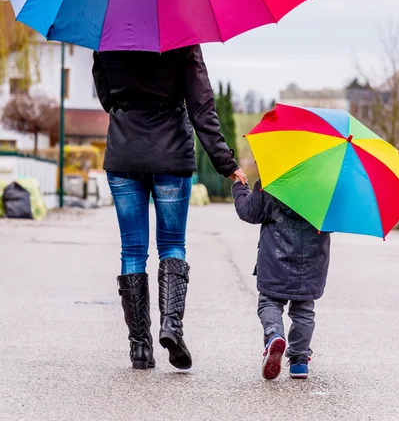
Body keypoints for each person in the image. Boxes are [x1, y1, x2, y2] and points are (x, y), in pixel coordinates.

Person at [93, 46, 245, 371]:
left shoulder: (106, 34)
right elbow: (201, 107)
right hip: (171, 153)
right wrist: (226, 163)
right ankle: (171, 326)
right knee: (172, 244)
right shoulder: (184, 37)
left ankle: (140, 349)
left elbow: (107, 99)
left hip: (124, 151)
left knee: (132, 250)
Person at [232, 178, 330, 380]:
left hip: (275, 259)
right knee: (304, 309)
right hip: (312, 262)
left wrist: (240, 187)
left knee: (269, 301)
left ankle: (274, 335)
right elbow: (334, 223)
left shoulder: (274, 180)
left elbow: (248, 212)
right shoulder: (327, 186)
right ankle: (299, 362)